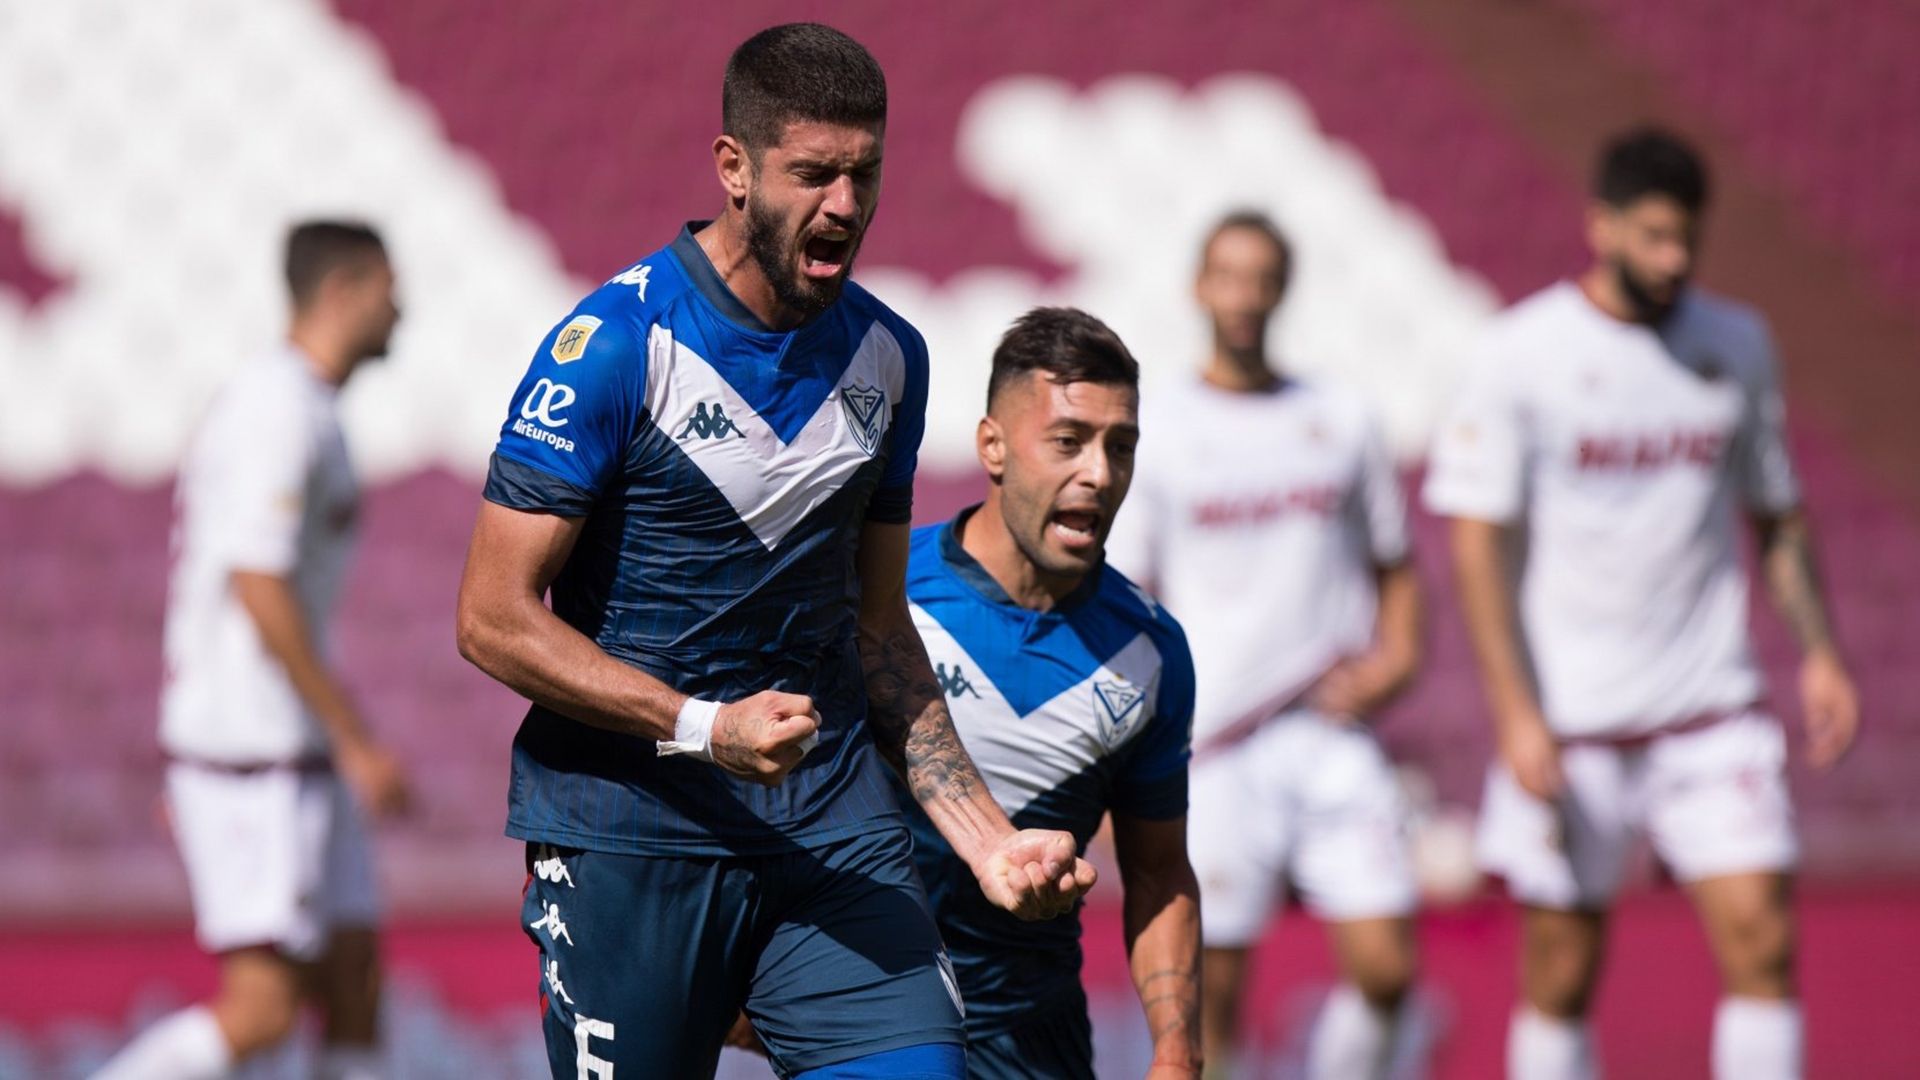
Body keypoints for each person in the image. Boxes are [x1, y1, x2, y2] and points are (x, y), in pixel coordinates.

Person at [452, 24, 1095, 1080]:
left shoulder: (891, 356)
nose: (846, 204)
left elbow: (878, 629)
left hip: (830, 826)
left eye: (865, 172)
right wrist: (704, 728)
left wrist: (987, 840)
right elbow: (490, 616)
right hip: (634, 838)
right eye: (814, 174)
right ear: (734, 170)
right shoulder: (618, 344)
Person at [1424, 128, 1860, 1080]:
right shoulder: (1523, 354)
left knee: (1763, 944)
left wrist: (1820, 651)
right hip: (1576, 723)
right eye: (1654, 236)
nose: (1672, 260)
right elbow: (1477, 544)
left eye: (1686, 240)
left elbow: (1777, 514)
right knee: (1562, 969)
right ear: (1602, 227)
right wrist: (1516, 712)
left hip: (1711, 711)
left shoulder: (1736, 344)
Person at [1104, 211, 1424, 1080]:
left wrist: (1396, 658)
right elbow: (1127, 599)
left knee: (1389, 969)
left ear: (1282, 289)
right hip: (1216, 748)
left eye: (1261, 277)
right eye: (1228, 276)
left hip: (1328, 732)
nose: (1244, 295)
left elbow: (1398, 564)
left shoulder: (1342, 418)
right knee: (1216, 997)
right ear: (1200, 287)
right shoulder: (1159, 427)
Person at [95, 221, 409, 1080]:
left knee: (354, 977)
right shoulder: (275, 408)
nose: (402, 308)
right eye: (390, 287)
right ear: (343, 290)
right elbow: (256, 584)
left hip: (292, 745)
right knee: (263, 1010)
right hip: (250, 745)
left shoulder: (313, 410)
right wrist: (355, 736)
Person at [902, 307, 1201, 1078]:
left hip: (1034, 1040)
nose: (1099, 474)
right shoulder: (880, 593)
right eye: (1069, 441)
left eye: (1120, 446)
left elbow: (1159, 869)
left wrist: (1176, 1045)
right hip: (864, 1020)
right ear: (992, 446)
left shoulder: (1150, 651)